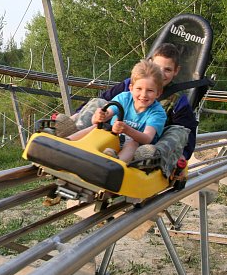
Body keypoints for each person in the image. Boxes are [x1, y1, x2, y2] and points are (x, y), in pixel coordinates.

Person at [56, 43, 197, 177]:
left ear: (175, 71)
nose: (160, 73)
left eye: (167, 69)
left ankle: (132, 161)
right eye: (157, 66)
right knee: (99, 105)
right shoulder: (127, 90)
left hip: (143, 141)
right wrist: (97, 116)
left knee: (175, 132)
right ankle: (67, 137)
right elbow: (106, 104)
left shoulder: (171, 104)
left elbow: (186, 132)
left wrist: (183, 157)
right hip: (113, 134)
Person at [67, 60, 167, 162]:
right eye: (139, 89)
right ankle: (67, 142)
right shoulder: (124, 98)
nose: (143, 94)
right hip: (112, 138)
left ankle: (114, 163)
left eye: (149, 90)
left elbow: (147, 138)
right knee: (97, 127)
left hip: (134, 148)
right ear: (131, 88)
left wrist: (127, 129)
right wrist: (99, 116)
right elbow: (105, 115)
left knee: (133, 143)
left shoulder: (157, 113)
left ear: (158, 93)